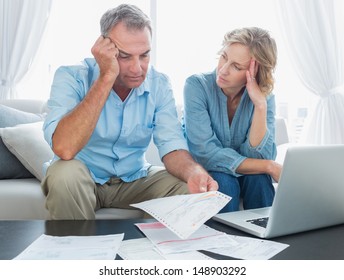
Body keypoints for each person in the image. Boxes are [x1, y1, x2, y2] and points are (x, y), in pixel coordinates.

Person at [41, 4, 218, 220]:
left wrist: (195, 173)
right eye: (124, 56)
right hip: (84, 177)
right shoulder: (71, 76)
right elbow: (64, 148)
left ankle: (152, 252)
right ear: (104, 49)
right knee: (63, 174)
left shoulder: (159, 84)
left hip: (135, 178)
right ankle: (79, 251)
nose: (137, 69)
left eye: (144, 56)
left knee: (189, 189)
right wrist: (106, 76)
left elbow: (171, 145)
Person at [183, 27, 282, 212]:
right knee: (224, 182)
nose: (223, 70)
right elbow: (206, 154)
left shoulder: (264, 97)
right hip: (211, 172)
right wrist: (269, 166)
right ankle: (222, 241)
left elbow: (259, 156)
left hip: (250, 174)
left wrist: (260, 106)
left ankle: (265, 238)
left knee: (259, 180)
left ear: (257, 72)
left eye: (237, 66)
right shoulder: (197, 86)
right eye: (224, 57)